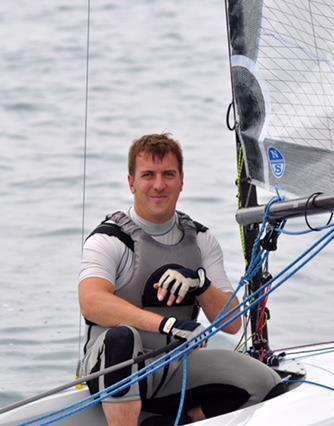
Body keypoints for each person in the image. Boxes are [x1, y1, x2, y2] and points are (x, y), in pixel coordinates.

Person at [78, 133, 283, 426]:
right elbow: (92, 303)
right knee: (121, 338)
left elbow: (232, 323)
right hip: (112, 368)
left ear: (182, 181)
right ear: (131, 182)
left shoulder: (200, 240)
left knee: (267, 384)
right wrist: (167, 325)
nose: (159, 185)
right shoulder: (109, 239)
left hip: (171, 370)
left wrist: (202, 284)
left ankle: (177, 422)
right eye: (148, 175)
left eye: (168, 175)